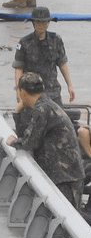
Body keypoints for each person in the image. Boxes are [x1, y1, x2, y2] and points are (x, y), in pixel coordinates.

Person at [6, 72, 86, 207]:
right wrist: (18, 113)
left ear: (22, 91)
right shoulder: (46, 105)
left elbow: (29, 142)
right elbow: (28, 134)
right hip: (65, 175)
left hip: (65, 178)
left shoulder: (43, 109)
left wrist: (12, 142)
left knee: (63, 216)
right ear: (42, 88)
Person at [14, 6, 75, 105]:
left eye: (43, 22)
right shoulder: (24, 43)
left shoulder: (56, 40)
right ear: (33, 23)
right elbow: (18, 68)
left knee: (57, 118)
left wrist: (70, 85)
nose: (41, 25)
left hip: (53, 92)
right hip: (31, 92)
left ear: (48, 23)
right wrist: (18, 90)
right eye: (38, 22)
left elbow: (62, 63)